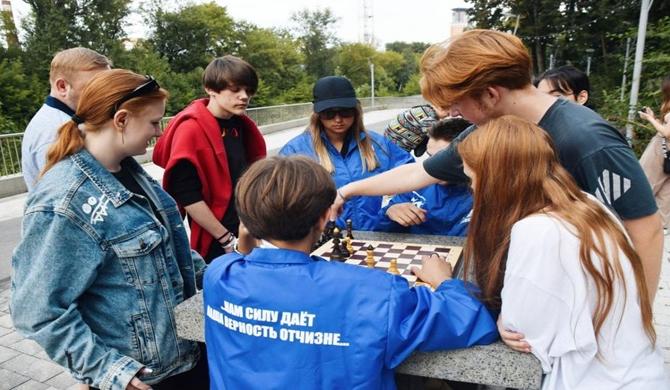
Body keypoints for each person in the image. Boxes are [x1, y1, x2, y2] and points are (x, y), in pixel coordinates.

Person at [333, 29, 663, 303]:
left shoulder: (587, 139)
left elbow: (645, 229)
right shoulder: (486, 131)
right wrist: (347, 191)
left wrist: (639, 316)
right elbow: (420, 172)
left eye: (457, 104)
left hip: (587, 301)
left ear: (490, 95)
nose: (451, 115)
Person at [203, 155, 498, 389]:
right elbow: (470, 319)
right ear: (323, 219)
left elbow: (242, 258)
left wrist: (246, 240)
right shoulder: (373, 291)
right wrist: (445, 280)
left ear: (247, 220)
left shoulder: (219, 274)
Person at [11, 69, 209, 390]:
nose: (158, 132)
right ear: (121, 120)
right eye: (154, 122)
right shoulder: (65, 201)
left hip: (184, 358)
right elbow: (35, 308)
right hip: (144, 379)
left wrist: (226, 277)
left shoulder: (130, 171)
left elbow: (173, 255)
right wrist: (107, 369)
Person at [457, 115, 668, 389]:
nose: (472, 189)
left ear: (496, 179)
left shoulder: (536, 230)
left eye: (473, 179)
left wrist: (499, 319)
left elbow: (523, 334)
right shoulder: (587, 203)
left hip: (596, 381)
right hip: (639, 370)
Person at [153, 55, 267, 262]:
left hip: (245, 225)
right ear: (210, 89)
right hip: (218, 236)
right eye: (235, 90)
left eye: (248, 91)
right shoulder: (191, 129)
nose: (244, 97)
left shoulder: (240, 125)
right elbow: (186, 194)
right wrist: (225, 239)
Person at [279, 76, 414, 230]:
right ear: (317, 113)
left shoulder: (379, 144)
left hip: (381, 235)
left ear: (356, 110)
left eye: (345, 112)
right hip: (327, 241)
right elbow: (282, 200)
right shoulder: (295, 151)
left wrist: (394, 205)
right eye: (329, 113)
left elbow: (411, 175)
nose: (338, 119)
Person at [21, 47, 111, 191]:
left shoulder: (55, 120)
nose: (105, 94)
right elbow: (68, 195)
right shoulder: (55, 132)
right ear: (62, 87)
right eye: (95, 87)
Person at [377, 117, 473, 236]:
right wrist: (390, 212)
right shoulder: (417, 183)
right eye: (429, 157)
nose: (434, 165)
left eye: (441, 159)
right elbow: (382, 232)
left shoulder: (483, 191)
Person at [639, 75, 670, 228]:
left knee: (645, 182)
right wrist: (652, 118)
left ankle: (636, 218)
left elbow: (666, 132)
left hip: (662, 151)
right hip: (666, 151)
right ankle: (661, 226)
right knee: (666, 190)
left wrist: (650, 119)